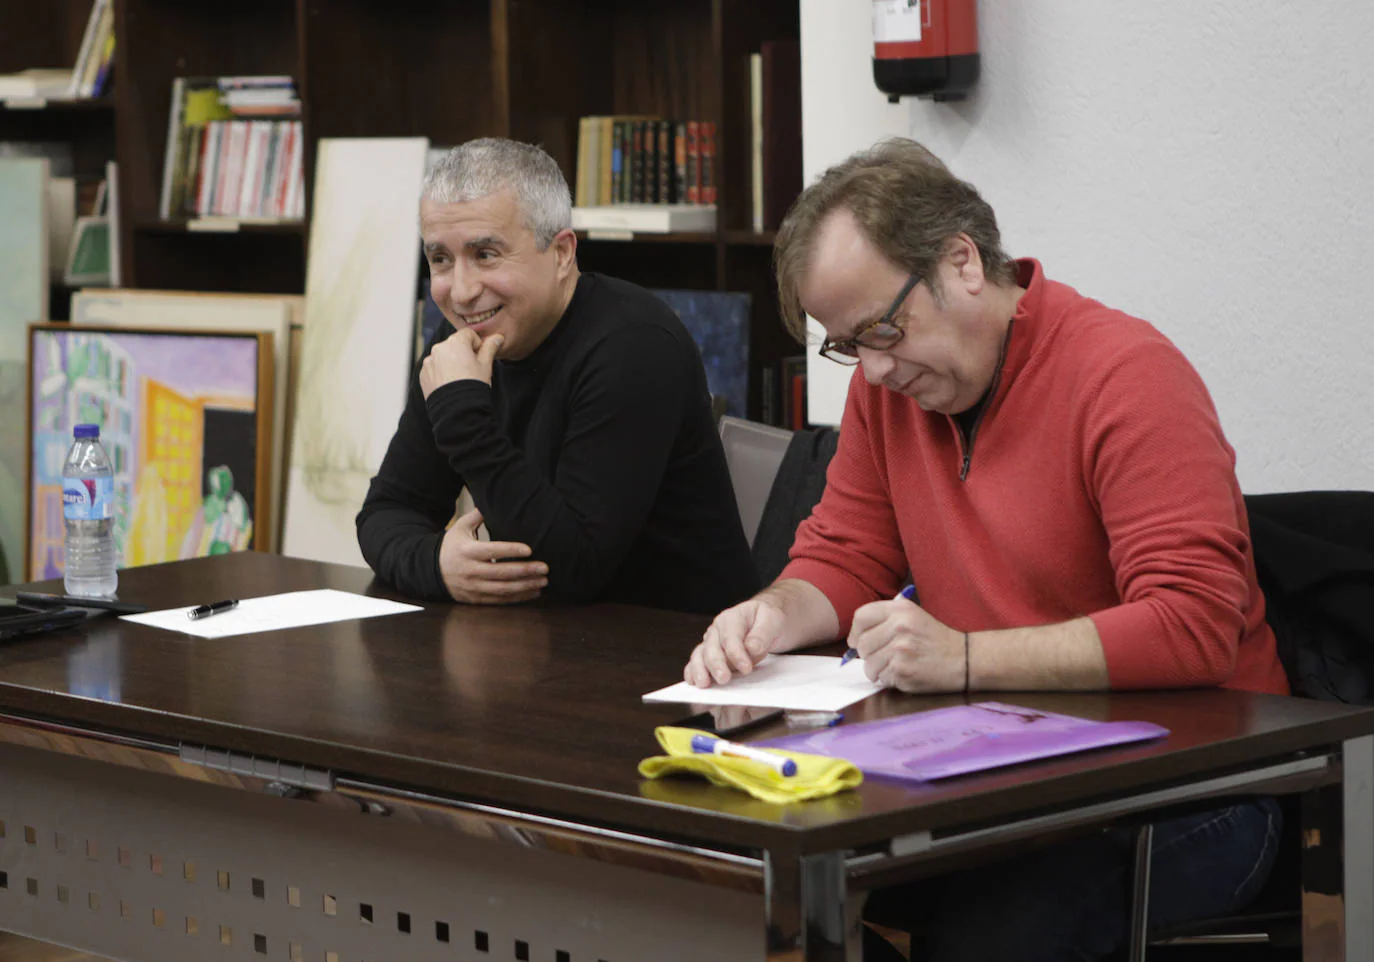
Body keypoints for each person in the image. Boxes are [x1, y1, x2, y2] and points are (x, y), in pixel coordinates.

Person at [682, 138, 1289, 961]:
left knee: (991, 928)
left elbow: (1193, 624)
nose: (875, 368)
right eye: (847, 345)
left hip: (1190, 786)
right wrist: (767, 617)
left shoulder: (1126, 374)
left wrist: (965, 658)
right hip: (1001, 771)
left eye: (884, 329)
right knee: (748, 886)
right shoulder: (884, 394)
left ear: (962, 261)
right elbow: (846, 553)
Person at [357, 138, 758, 614]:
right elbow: (385, 514)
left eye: (485, 254)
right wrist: (438, 564)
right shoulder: (460, 339)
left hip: (678, 650)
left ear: (562, 253)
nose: (461, 292)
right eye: (441, 259)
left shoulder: (635, 346)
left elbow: (571, 572)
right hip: (547, 647)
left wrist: (463, 416)